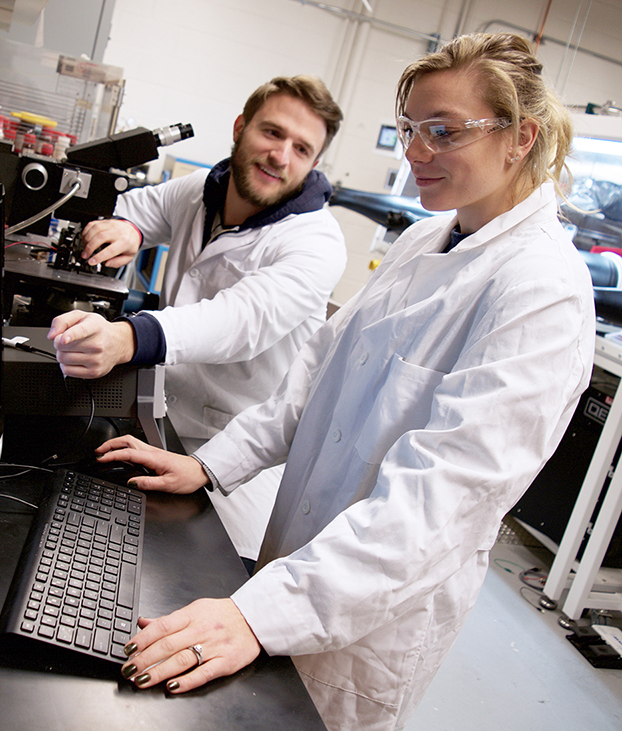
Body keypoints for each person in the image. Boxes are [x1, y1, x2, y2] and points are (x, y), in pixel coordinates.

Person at [89, 32, 596, 731]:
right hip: (292, 566)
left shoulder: (542, 290)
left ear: (521, 137)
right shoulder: (428, 238)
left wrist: (257, 612)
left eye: (443, 131)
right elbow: (312, 378)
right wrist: (208, 465)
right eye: (413, 127)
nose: (414, 152)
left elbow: (435, 506)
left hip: (368, 618)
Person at [49, 76, 347, 562]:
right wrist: (128, 227)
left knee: (195, 581)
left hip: (237, 460)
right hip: (158, 421)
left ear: (314, 163)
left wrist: (128, 338)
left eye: (301, 148)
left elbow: (239, 321)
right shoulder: (202, 190)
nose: (280, 155)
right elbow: (135, 207)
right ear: (240, 127)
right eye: (272, 133)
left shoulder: (316, 243)